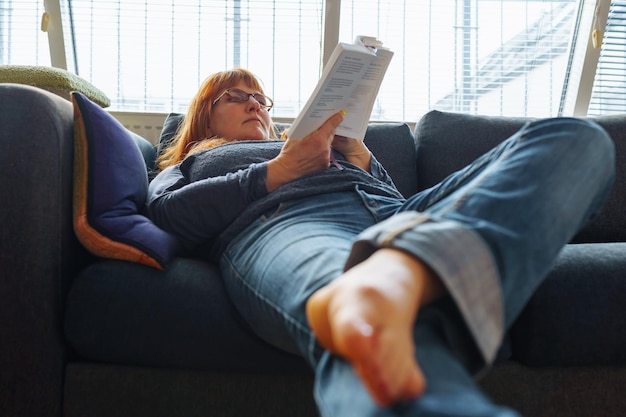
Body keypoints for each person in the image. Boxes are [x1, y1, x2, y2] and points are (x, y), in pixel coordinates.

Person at [147, 67, 615, 416]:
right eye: (237, 96)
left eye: (261, 98)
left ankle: (396, 272)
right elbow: (169, 215)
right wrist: (280, 171)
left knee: (576, 140)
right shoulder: (188, 162)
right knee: (371, 333)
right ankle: (388, 281)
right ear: (204, 115)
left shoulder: (311, 144)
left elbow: (393, 205)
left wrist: (362, 159)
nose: (255, 104)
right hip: (290, 223)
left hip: (396, 216)